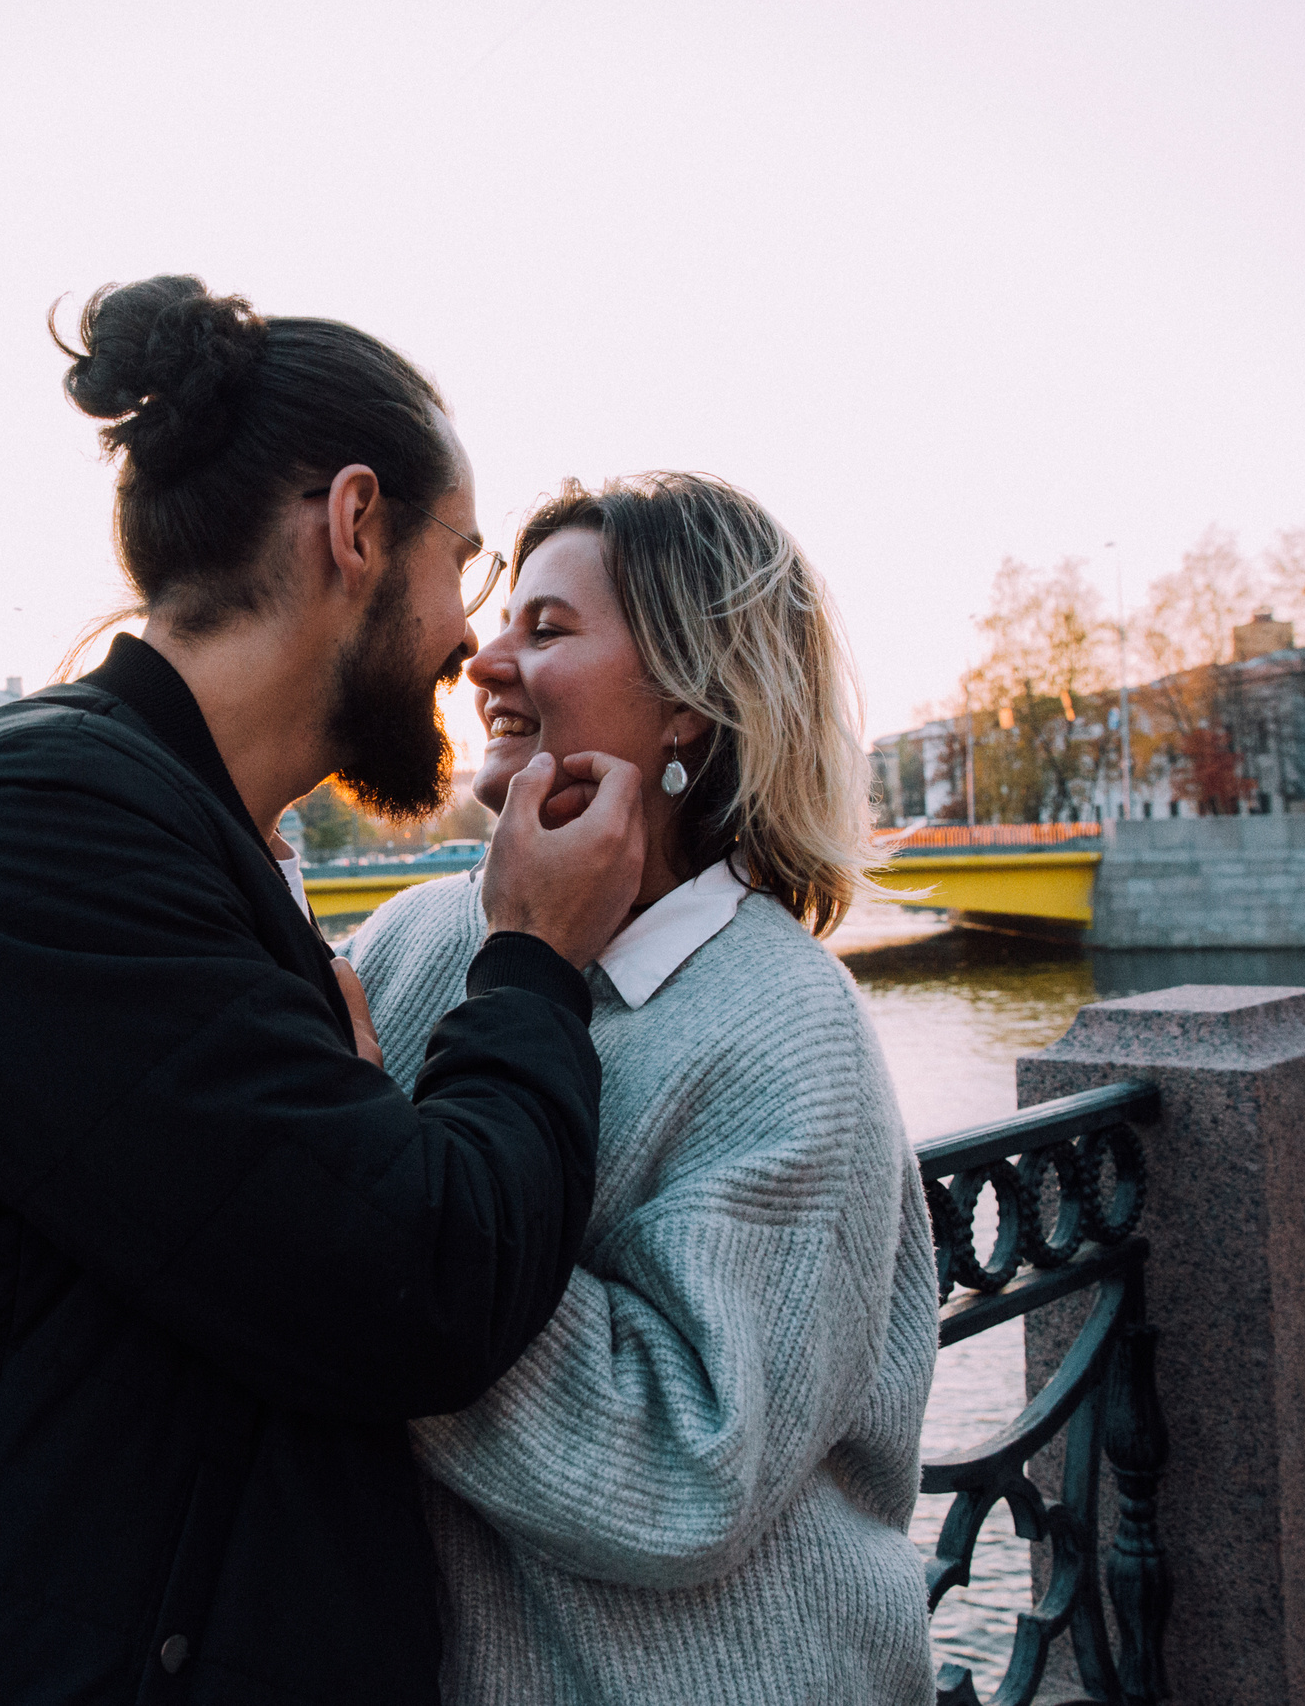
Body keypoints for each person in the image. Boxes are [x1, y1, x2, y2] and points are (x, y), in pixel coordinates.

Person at [0, 276, 647, 1703]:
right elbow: (424, 1284)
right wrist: (533, 955)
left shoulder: (169, 827)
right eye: (464, 566)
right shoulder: (36, 821)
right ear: (356, 525)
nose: (472, 649)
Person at [345, 472, 939, 1705]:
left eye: (546, 630)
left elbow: (683, 1474)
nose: (483, 658)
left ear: (689, 702)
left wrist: (388, 1226)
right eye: (504, 619)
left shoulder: (782, 1029)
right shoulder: (408, 946)